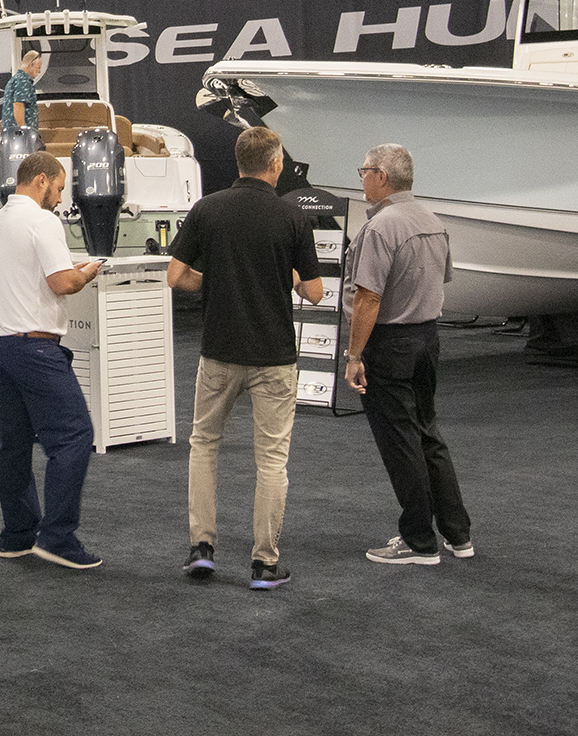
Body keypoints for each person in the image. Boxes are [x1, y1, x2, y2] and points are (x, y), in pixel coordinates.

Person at [168, 124, 323, 591]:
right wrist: (292, 277)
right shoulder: (293, 217)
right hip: (274, 356)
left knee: (204, 446)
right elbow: (315, 293)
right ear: (275, 165)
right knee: (272, 460)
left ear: (238, 162)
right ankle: (264, 564)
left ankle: (202, 549)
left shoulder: (207, 209)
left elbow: (176, 276)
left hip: (219, 351)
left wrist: (213, 282)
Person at [343, 142, 473, 566]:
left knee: (401, 442)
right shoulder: (433, 221)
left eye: (363, 170)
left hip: (391, 343)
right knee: (428, 433)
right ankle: (458, 534)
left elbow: (368, 299)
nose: (360, 178)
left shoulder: (381, 228)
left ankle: (419, 541)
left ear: (381, 176)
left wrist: (354, 356)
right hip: (427, 339)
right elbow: (442, 279)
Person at [0, 151, 106, 569]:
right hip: (36, 350)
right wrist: (89, 270)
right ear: (40, 180)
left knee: (13, 444)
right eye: (58, 187)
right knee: (73, 435)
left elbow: (28, 275)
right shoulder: (42, 221)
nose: (59, 198)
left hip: (0, 347)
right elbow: (63, 282)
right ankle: (57, 538)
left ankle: (17, 535)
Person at [3, 48, 43, 133]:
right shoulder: (23, 81)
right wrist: (23, 131)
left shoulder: (15, 79)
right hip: (19, 135)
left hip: (12, 133)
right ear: (31, 65)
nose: (39, 71)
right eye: (38, 67)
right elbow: (18, 105)